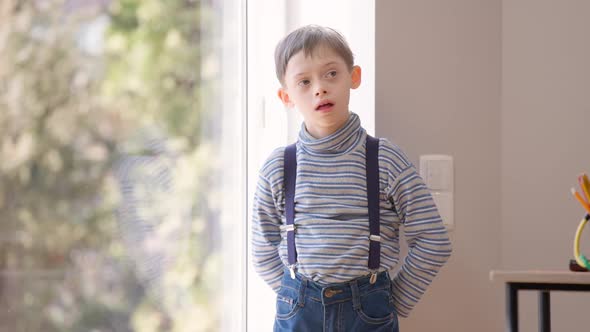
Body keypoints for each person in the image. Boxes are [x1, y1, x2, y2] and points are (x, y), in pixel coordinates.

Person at [251, 25, 452, 332]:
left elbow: (433, 240)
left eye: (331, 74)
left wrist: (394, 301)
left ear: (353, 77)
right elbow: (262, 249)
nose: (320, 88)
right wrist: (294, 296)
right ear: (286, 96)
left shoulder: (386, 159)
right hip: (299, 314)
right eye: (304, 82)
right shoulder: (278, 167)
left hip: (371, 313)